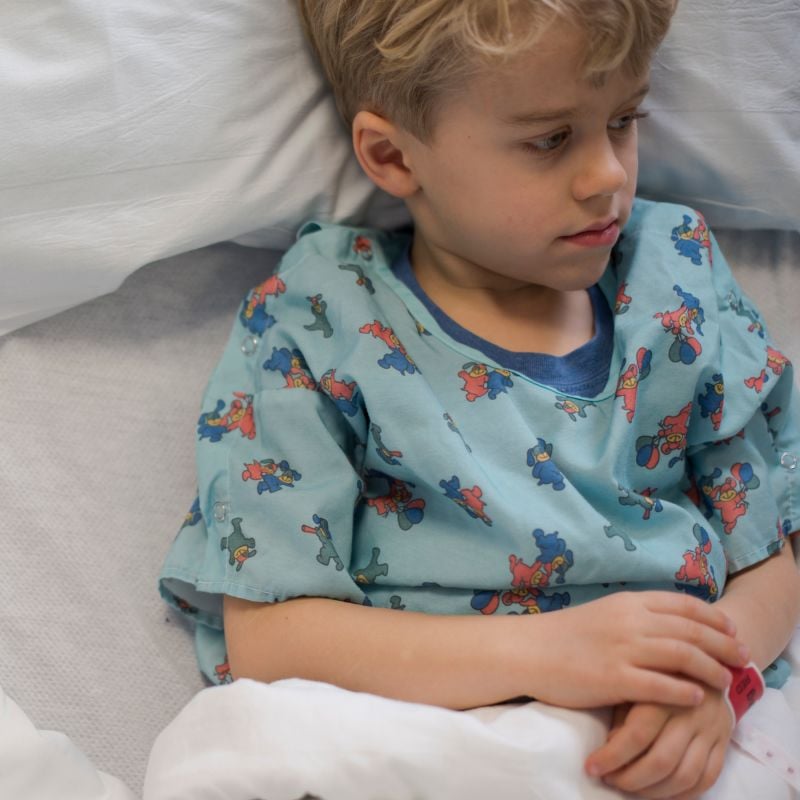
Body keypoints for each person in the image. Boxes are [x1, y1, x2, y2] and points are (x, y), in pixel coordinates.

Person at [159, 1, 800, 796]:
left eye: (626, 119)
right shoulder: (323, 322)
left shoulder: (674, 280)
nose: (608, 174)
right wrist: (551, 655)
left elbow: (775, 552)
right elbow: (271, 636)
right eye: (550, 138)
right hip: (430, 721)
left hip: (674, 728)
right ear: (393, 156)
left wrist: (711, 677)